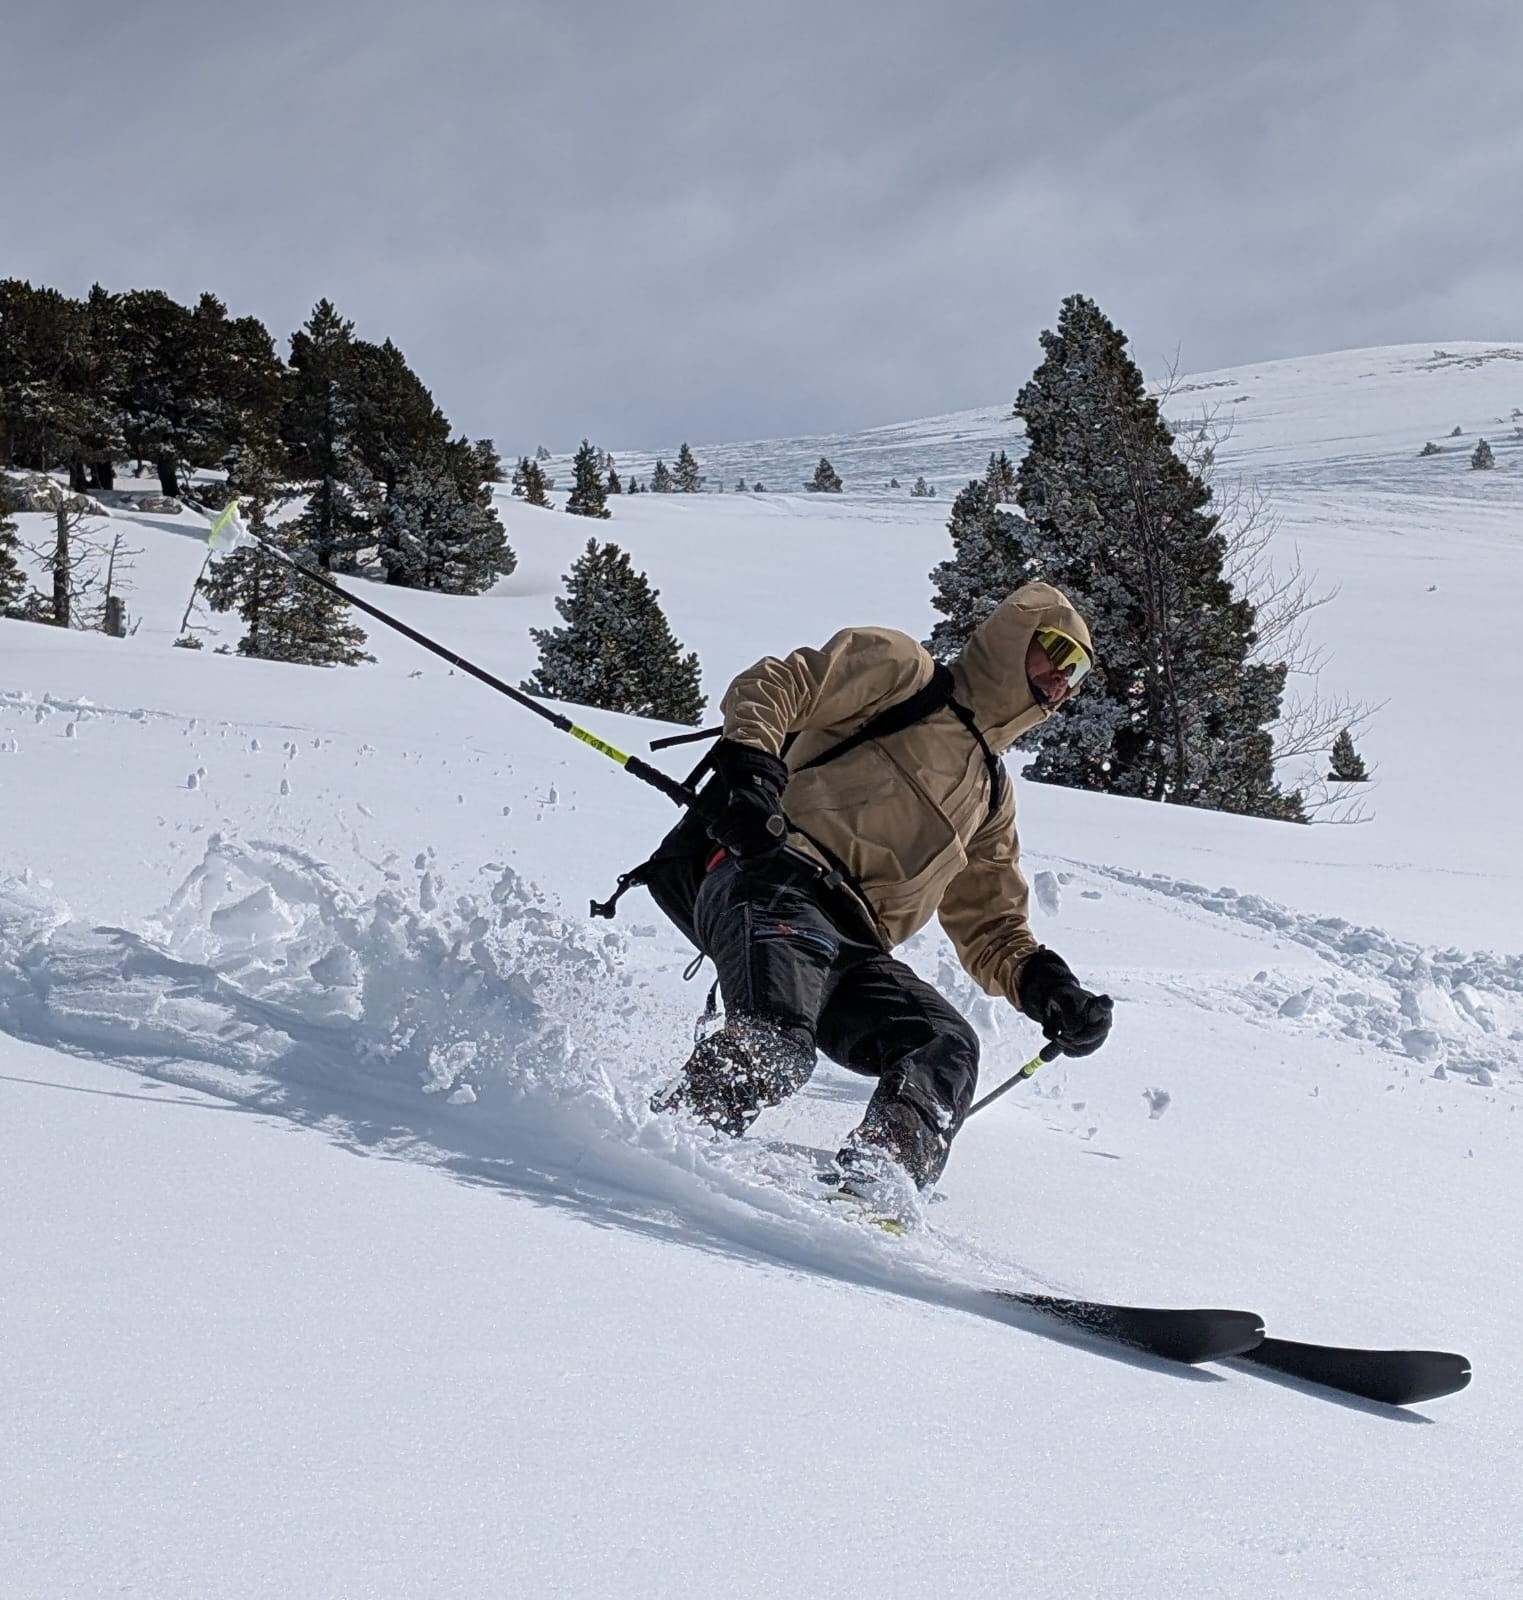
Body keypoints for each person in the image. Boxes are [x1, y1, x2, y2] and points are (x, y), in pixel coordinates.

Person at [652, 580, 1113, 1194]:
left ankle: (879, 1185)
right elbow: (781, 685)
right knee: (775, 1041)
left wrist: (1049, 989)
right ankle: (665, 1142)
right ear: (1015, 634)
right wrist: (751, 772)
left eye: (1077, 673)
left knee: (944, 1044)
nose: (1062, 679)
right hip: (773, 879)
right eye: (1056, 651)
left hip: (856, 948)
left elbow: (992, 926)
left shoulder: (992, 797)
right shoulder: (904, 674)